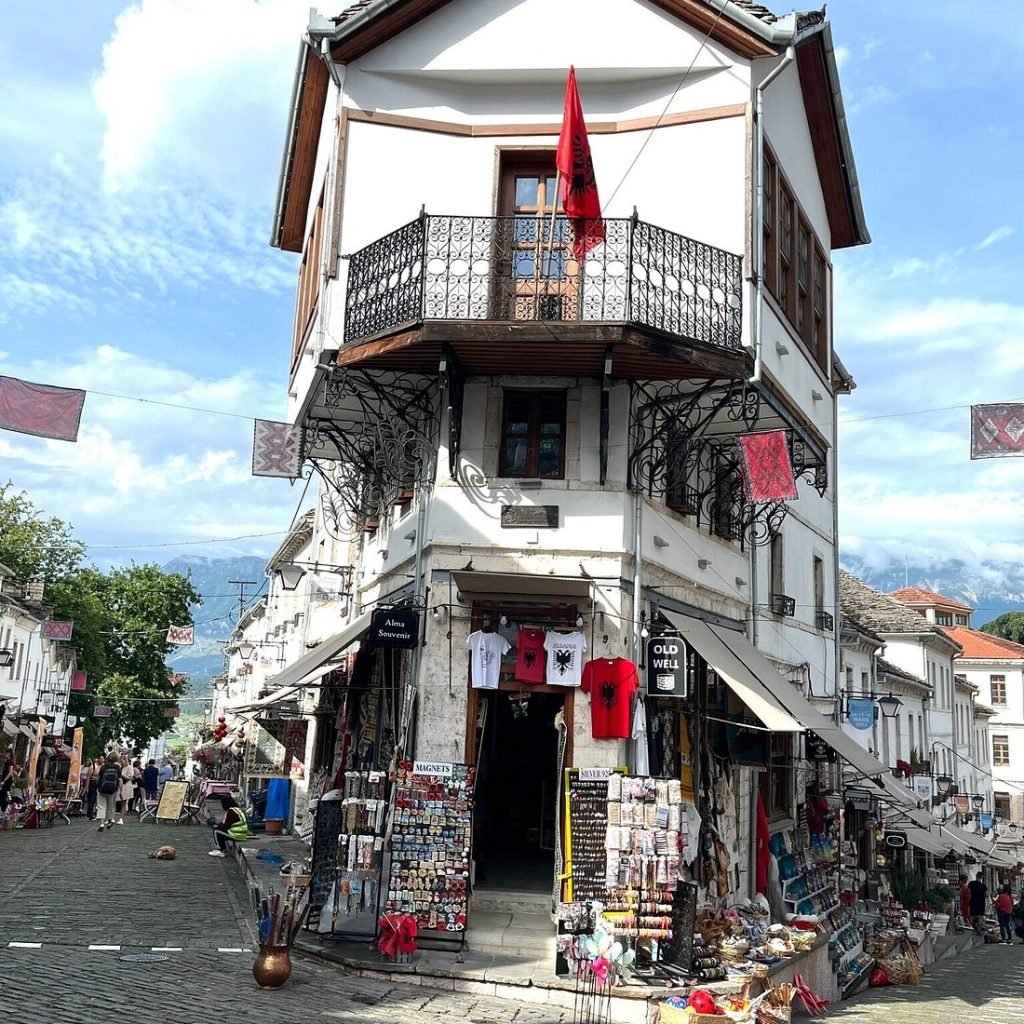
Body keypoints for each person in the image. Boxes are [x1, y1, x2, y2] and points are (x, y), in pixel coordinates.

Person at [95, 754, 122, 831]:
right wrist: (121, 791)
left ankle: (102, 823)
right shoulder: (118, 768)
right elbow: (120, 780)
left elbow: (99, 778)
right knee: (111, 806)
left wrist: (97, 786)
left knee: (101, 806)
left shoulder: (103, 767)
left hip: (102, 789)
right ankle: (110, 821)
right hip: (113, 790)